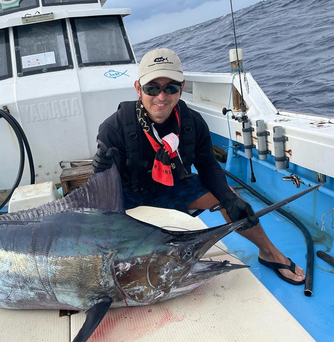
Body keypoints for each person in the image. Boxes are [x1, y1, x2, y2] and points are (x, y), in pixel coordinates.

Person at [93, 48, 305, 285]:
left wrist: (227, 197)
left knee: (232, 201)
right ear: (138, 88)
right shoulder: (113, 128)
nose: (161, 97)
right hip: (129, 195)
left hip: (174, 187)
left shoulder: (193, 122)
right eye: (152, 88)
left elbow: (207, 167)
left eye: (170, 88)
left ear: (181, 88)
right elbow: (102, 191)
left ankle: (269, 253)